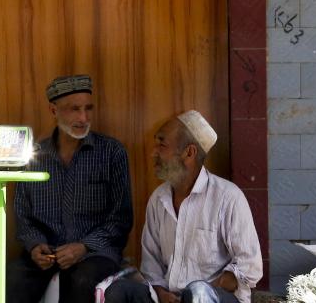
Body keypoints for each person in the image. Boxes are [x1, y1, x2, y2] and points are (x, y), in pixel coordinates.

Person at [106, 111, 262, 303]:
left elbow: (250, 267)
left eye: (162, 145)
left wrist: (200, 291)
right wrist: (162, 294)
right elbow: (151, 263)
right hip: (169, 297)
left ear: (189, 152)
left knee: (197, 293)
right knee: (118, 291)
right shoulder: (158, 199)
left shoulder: (228, 197)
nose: (154, 152)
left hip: (214, 297)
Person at [7, 74, 134, 303]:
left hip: (96, 254)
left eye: (88, 109)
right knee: (9, 282)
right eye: (74, 109)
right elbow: (23, 216)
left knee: (81, 281)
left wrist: (84, 247)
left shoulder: (112, 153)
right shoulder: (33, 155)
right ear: (53, 111)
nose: (83, 118)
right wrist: (35, 246)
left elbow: (121, 219)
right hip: (46, 256)